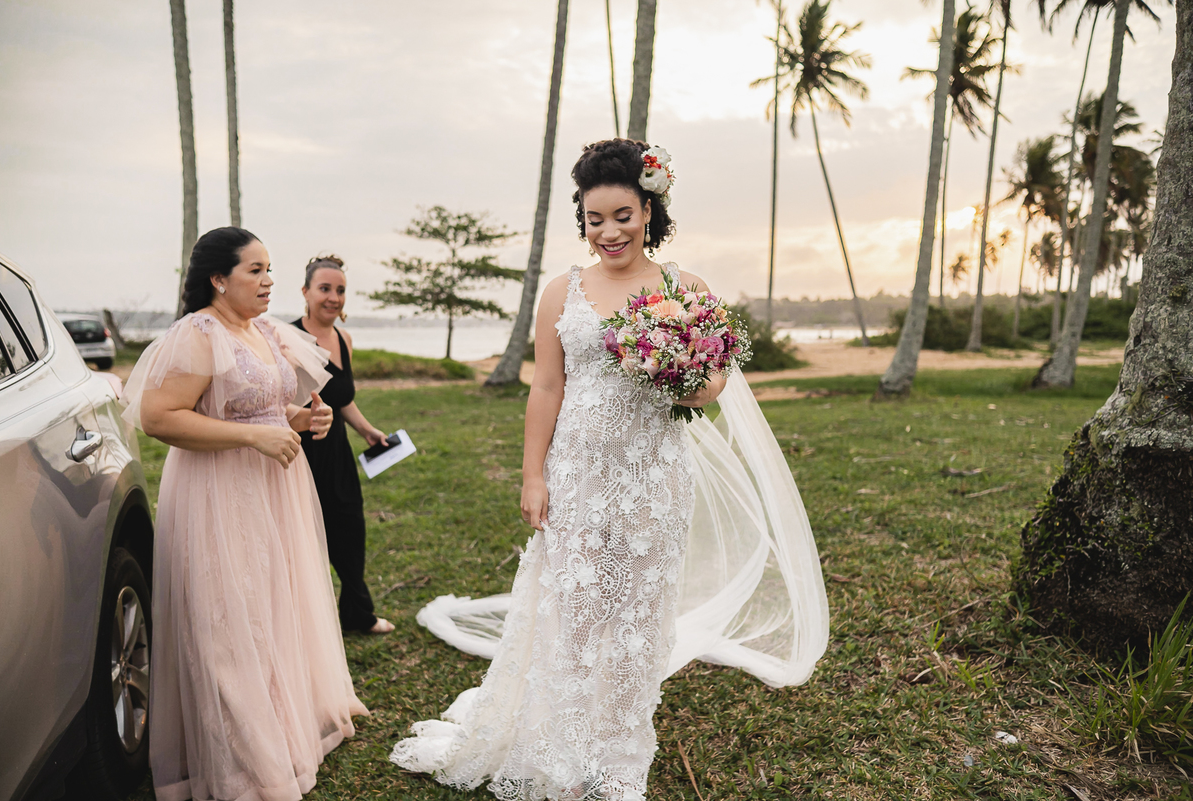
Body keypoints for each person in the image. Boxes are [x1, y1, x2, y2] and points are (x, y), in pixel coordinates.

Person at [390, 139, 829, 800]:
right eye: (594, 219)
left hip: (654, 477)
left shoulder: (685, 289)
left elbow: (714, 383)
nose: (609, 232)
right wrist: (532, 475)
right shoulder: (562, 291)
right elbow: (546, 387)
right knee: (575, 613)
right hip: (576, 477)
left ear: (649, 210)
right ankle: (560, 745)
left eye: (622, 215)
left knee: (638, 619)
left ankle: (617, 761)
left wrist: (678, 377)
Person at [123, 227, 369, 801]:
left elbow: (266, 407)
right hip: (218, 492)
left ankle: (279, 728)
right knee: (227, 619)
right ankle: (240, 760)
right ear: (218, 278)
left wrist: (302, 419)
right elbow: (159, 417)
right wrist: (253, 438)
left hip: (273, 489)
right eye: (254, 270)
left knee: (270, 605)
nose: (268, 280)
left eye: (269, 269)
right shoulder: (198, 333)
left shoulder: (264, 330)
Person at [293, 254, 394, 635]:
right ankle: (305, 624)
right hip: (299, 454)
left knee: (350, 532)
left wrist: (367, 431)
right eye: (324, 289)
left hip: (337, 453)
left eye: (340, 290)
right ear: (306, 292)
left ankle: (356, 613)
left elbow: (341, 399)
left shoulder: (343, 339)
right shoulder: (287, 339)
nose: (333, 298)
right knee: (303, 540)